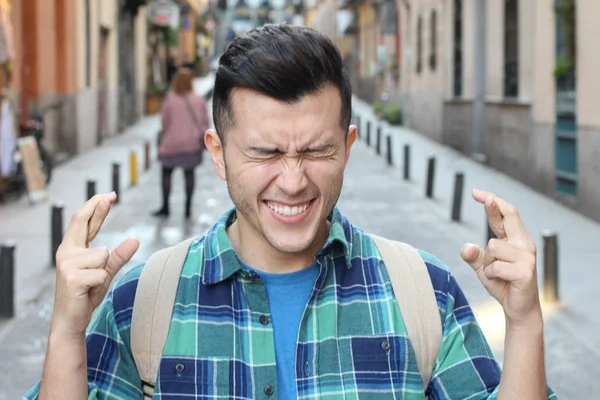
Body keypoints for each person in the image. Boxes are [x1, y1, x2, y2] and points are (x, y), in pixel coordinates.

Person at [25, 24, 556, 399]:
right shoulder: (141, 305)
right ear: (218, 153)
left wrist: (525, 321)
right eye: (266, 152)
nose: (294, 181)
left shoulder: (425, 295)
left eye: (317, 151)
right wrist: (66, 332)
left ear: (348, 146)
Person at [153, 67, 209, 219]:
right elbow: (205, 123)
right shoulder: (199, 100)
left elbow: (164, 123)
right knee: (189, 173)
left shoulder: (170, 99)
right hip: (191, 144)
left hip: (171, 144)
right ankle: (188, 208)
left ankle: (165, 207)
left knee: (166, 173)